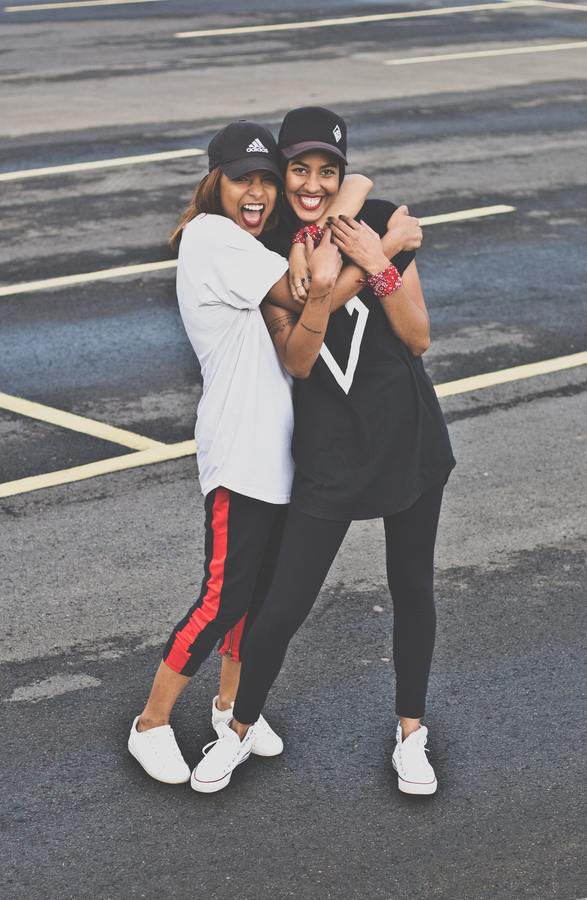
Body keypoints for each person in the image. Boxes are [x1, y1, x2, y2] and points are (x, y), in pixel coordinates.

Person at [193, 107, 456, 796]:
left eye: (329, 171)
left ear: (340, 171)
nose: (312, 183)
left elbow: (418, 337)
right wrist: (355, 239)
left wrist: (380, 260)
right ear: (282, 172)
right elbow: (300, 358)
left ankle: (410, 735)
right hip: (327, 452)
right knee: (282, 604)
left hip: (407, 436)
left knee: (411, 591)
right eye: (299, 169)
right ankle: (239, 730)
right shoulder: (269, 244)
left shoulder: (382, 222)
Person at [128, 119, 372, 784]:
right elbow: (306, 291)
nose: (257, 192)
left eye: (267, 179)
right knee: (221, 596)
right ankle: (149, 724)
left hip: (280, 457)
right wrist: (366, 223)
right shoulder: (211, 237)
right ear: (216, 184)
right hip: (239, 452)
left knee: (256, 601)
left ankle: (230, 706)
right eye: (243, 179)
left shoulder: (247, 243)